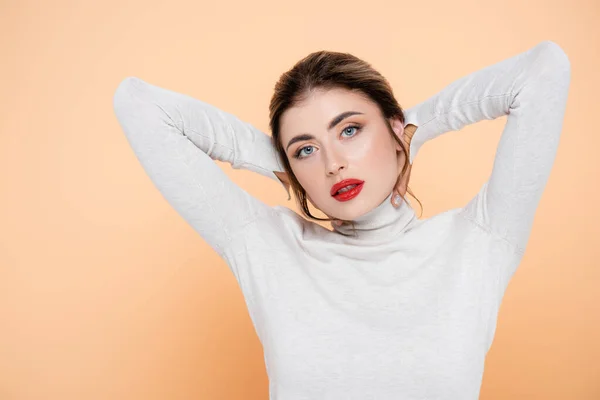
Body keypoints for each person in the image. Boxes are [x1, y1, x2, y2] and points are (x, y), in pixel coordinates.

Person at [112, 40, 571, 399]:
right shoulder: (270, 248)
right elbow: (139, 103)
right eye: (306, 149)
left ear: (393, 128)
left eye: (349, 130)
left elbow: (543, 70)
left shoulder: (479, 240)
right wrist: (285, 164)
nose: (333, 164)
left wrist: (414, 129)